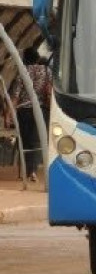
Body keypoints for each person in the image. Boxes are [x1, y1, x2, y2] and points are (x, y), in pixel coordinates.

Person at [8, 46, 52, 182]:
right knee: (37, 141)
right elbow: (49, 91)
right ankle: (33, 171)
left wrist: (10, 114)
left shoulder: (22, 72)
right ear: (37, 58)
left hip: (24, 111)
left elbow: (15, 95)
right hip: (41, 110)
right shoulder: (47, 71)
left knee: (24, 140)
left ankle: (25, 171)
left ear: (24, 59)